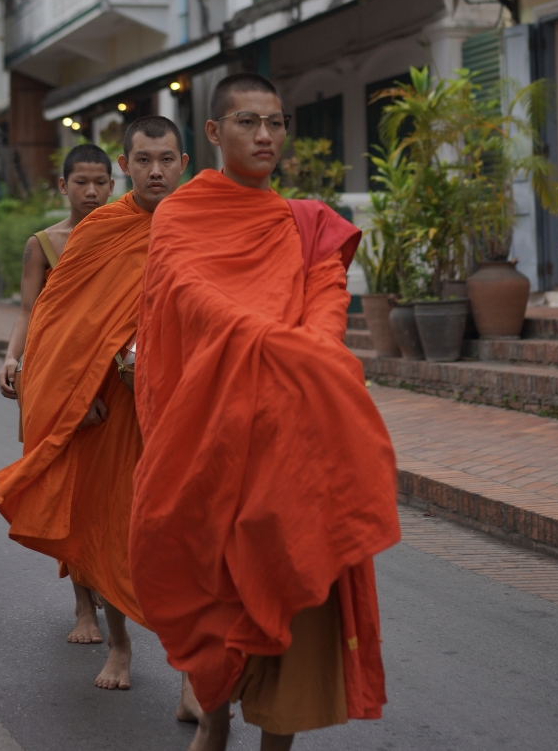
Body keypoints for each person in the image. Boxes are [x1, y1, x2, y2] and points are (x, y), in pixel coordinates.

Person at [130, 74, 400, 751]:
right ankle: (215, 716)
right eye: (249, 123)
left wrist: (312, 348)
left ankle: (275, 738)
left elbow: (327, 298)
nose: (265, 136)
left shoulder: (307, 222)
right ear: (216, 133)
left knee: (295, 577)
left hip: (292, 430)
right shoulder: (181, 215)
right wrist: (272, 339)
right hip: (215, 430)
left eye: (276, 123)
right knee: (215, 579)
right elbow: (190, 296)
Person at [0, 118, 195, 701]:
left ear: (184, 162)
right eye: (144, 159)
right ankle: (120, 644)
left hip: (182, 411)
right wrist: (75, 399)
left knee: (182, 538)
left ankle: (190, 669)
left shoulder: (201, 226)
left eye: (167, 159)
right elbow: (57, 326)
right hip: (114, 409)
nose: (156, 170)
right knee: (113, 530)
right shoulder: (100, 230)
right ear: (126, 165)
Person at [0, 142, 114, 645]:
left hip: (111, 379)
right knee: (68, 491)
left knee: (109, 492)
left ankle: (112, 578)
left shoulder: (128, 238)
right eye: (81, 182)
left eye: (100, 182)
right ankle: (83, 606)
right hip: (54, 379)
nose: (91, 191)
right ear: (63, 187)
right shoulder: (42, 243)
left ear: (113, 185)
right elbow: (27, 310)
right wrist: (9, 357)